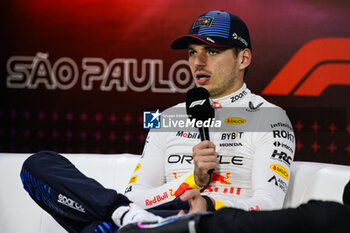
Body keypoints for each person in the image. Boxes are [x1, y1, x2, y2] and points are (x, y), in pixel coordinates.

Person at [20, 10, 295, 233]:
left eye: (211, 52)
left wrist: (208, 204)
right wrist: (192, 180)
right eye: (191, 52)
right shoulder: (168, 117)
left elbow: (270, 206)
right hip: (147, 218)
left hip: (209, 224)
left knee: (99, 227)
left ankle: (119, 220)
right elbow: (135, 197)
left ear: (243, 58)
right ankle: (123, 218)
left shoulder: (271, 118)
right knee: (38, 165)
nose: (197, 62)